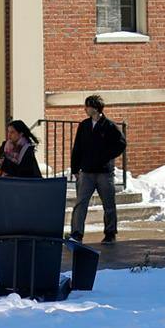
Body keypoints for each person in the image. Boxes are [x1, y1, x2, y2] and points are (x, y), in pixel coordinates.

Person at [69, 95, 125, 242]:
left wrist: (106, 156)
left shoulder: (110, 126)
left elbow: (121, 144)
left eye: (87, 106)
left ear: (94, 108)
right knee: (81, 203)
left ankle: (110, 233)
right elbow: (77, 148)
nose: (85, 109)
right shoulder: (84, 125)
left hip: (104, 173)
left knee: (108, 203)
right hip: (86, 171)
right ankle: (76, 233)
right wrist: (75, 168)